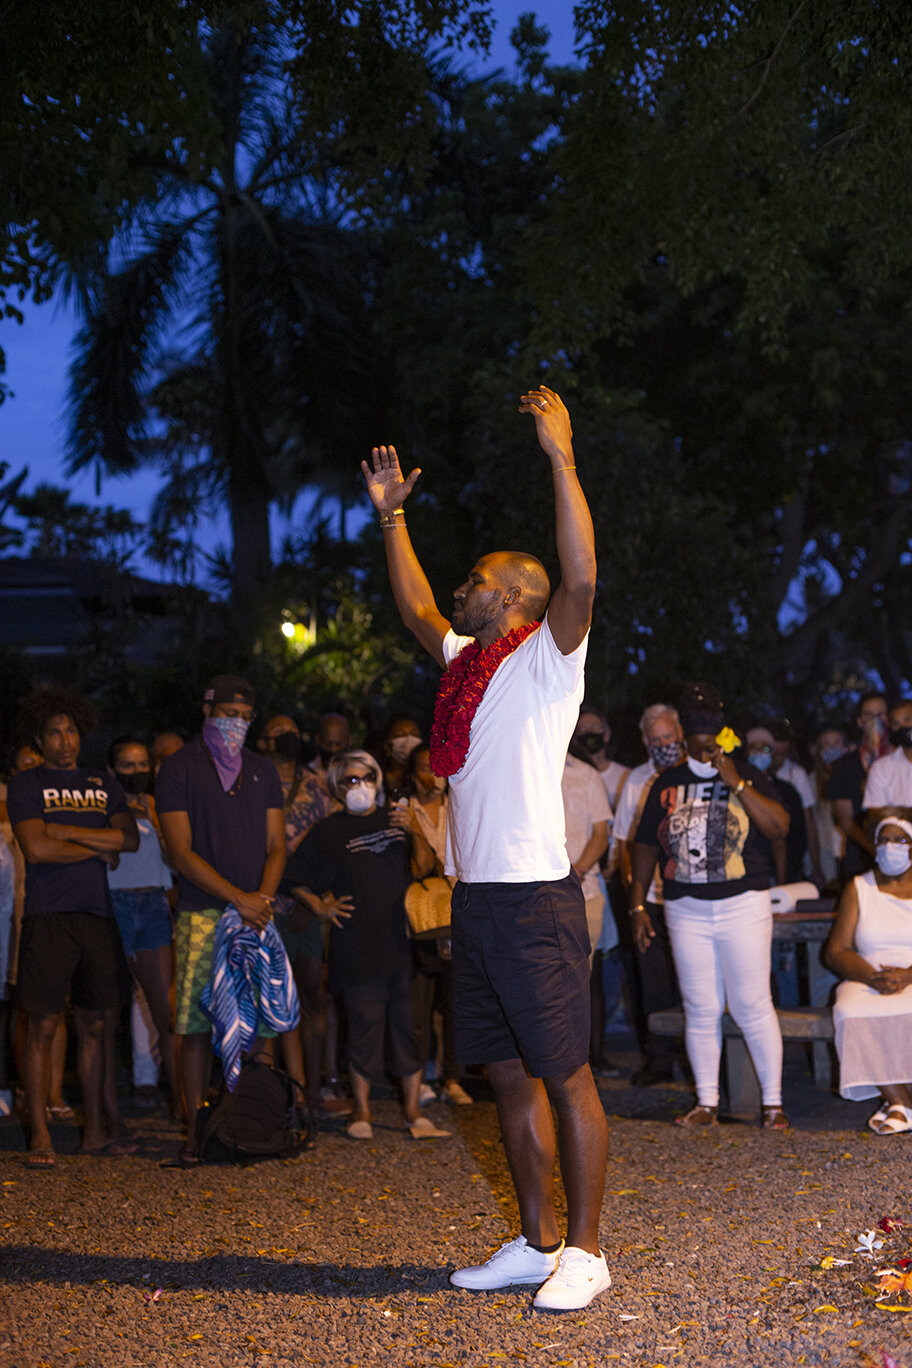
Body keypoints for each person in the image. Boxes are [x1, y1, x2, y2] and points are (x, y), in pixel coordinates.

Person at [361, 383, 611, 1312]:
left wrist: (561, 458)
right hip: (477, 898)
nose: (461, 587)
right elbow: (420, 606)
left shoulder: (548, 659)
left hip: (538, 897)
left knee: (565, 1073)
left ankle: (586, 1251)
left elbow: (580, 579)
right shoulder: (467, 668)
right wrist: (393, 523)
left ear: (512, 595)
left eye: (477, 578)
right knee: (506, 1075)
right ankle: (534, 1241)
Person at [629, 683, 790, 1129]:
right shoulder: (666, 782)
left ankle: (773, 1103)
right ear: (684, 737)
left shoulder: (744, 774)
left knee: (752, 1003)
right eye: (695, 737)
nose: (703, 746)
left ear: (720, 734)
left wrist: (735, 781)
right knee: (699, 1005)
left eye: (709, 735)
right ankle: (706, 1102)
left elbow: (779, 828)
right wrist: (637, 905)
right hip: (685, 908)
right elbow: (642, 846)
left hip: (743, 903)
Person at [282, 748, 449, 1140]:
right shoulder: (327, 831)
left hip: (403, 941)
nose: (361, 786)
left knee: (408, 1027)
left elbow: (424, 867)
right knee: (364, 1027)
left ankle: (412, 1111)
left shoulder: (398, 818)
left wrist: (414, 829)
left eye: (367, 777)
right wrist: (321, 905)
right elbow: (292, 877)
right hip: (356, 945)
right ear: (337, 788)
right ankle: (362, 1111)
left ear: (379, 780)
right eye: (350, 780)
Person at [156, 675, 286, 1164]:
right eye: (226, 713)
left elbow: (277, 845)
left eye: (243, 716)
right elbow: (180, 852)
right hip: (202, 913)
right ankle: (195, 1132)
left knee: (261, 1025)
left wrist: (262, 899)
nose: (235, 724)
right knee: (193, 1024)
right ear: (206, 712)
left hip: (256, 914)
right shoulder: (179, 767)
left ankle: (257, 1125)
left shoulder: (262, 770)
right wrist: (239, 898)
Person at [7, 688, 139, 1165]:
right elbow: (37, 849)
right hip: (48, 916)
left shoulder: (103, 782)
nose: (65, 740)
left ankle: (95, 1132)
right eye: (54, 733)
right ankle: (40, 1134)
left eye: (71, 731)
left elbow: (129, 839)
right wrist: (95, 846)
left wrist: (64, 830)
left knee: (95, 1023)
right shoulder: (27, 784)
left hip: (96, 916)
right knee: (41, 1023)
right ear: (39, 739)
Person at [257, 712, 347, 1117]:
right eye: (278, 733)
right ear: (263, 742)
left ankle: (317, 1086)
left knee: (315, 996)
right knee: (272, 1002)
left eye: (292, 731)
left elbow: (332, 851)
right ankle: (280, 1092)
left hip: (309, 911)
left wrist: (312, 906)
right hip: (265, 909)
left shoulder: (317, 787)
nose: (288, 737)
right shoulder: (252, 785)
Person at [105, 736, 180, 1116]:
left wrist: (153, 819)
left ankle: (184, 1103)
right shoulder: (102, 806)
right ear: (111, 770)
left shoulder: (157, 806)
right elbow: (109, 858)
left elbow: (175, 859)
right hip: (114, 905)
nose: (136, 772)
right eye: (127, 765)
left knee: (164, 1008)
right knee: (106, 1010)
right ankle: (108, 1109)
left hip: (152, 906)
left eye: (141, 765)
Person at [612, 703, 685, 1085]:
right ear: (644, 741)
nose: (662, 746)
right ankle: (659, 1061)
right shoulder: (637, 781)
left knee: (691, 979)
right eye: (654, 740)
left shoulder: (696, 775)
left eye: (668, 738)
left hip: (690, 898)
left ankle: (701, 1061)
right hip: (651, 900)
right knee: (652, 982)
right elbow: (625, 843)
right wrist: (634, 900)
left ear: (680, 734)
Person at [825, 815, 912, 1133]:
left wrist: (906, 976)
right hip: (867, 973)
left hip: (911, 973)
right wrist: (872, 977)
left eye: (900, 840)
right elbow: (837, 950)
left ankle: (895, 1103)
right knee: (851, 1009)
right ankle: (901, 1101)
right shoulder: (859, 887)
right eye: (883, 840)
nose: (891, 847)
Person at [401, 743, 472, 1106]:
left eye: (437, 767)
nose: (432, 776)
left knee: (454, 1000)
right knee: (418, 1002)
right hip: (416, 917)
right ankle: (421, 1075)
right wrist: (413, 830)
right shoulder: (402, 812)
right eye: (424, 768)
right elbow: (419, 866)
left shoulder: (458, 804)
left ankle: (453, 1077)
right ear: (411, 774)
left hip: (455, 913)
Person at [827, 692, 890, 881]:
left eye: (881, 714)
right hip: (860, 862)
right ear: (860, 721)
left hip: (902, 860)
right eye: (869, 715)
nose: (875, 721)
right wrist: (877, 850)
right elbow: (846, 821)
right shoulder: (843, 766)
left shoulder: (903, 761)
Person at [745, 726, 808, 885]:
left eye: (765, 748)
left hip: (780, 872)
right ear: (746, 752)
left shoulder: (785, 790)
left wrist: (784, 878)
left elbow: (793, 834)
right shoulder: (736, 787)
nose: (759, 753)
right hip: (747, 872)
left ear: (773, 753)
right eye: (754, 748)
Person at [864, 700, 912, 812]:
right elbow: (877, 815)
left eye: (908, 720)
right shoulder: (880, 769)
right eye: (896, 724)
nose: (903, 727)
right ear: (891, 729)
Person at [307, 713, 351, 789]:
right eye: (327, 744)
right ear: (318, 741)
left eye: (339, 744)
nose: (333, 749)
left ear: (349, 741)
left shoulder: (360, 772)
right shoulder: (306, 774)